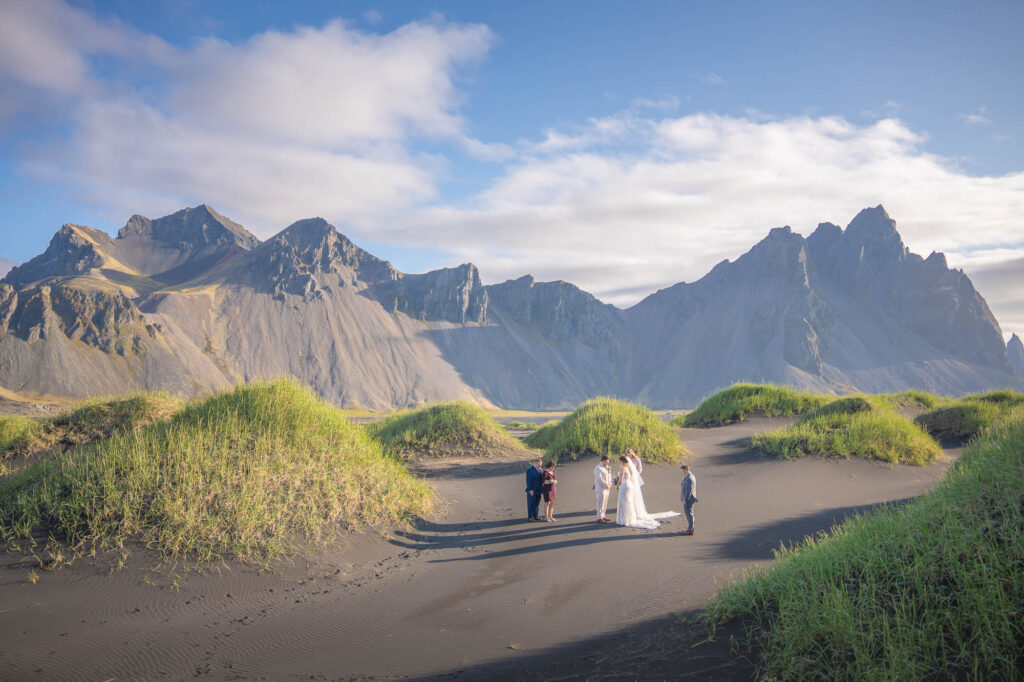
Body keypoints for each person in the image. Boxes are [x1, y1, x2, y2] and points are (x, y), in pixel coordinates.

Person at [616, 455, 679, 529]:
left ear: (622, 461)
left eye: (620, 461)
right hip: (630, 486)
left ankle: (623, 519)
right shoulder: (629, 467)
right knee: (629, 502)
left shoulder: (622, 468)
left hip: (624, 486)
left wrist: (617, 485)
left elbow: (620, 480)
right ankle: (629, 518)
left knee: (623, 502)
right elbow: (632, 474)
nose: (619, 462)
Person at [593, 455, 613, 523]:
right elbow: (599, 479)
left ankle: (603, 516)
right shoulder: (598, 468)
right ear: (603, 461)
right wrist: (605, 485)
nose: (607, 463)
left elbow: (610, 477)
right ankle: (599, 517)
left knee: (605, 502)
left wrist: (610, 484)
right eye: (606, 462)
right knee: (600, 503)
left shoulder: (608, 468)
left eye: (608, 462)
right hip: (600, 488)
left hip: (607, 488)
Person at [680, 464, 697, 535]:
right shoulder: (688, 476)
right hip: (689, 499)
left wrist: (685, 500)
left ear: (686, 470)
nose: (682, 472)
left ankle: (690, 530)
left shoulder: (689, 478)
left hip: (689, 500)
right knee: (689, 514)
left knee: (689, 514)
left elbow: (689, 490)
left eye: (683, 470)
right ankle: (690, 529)